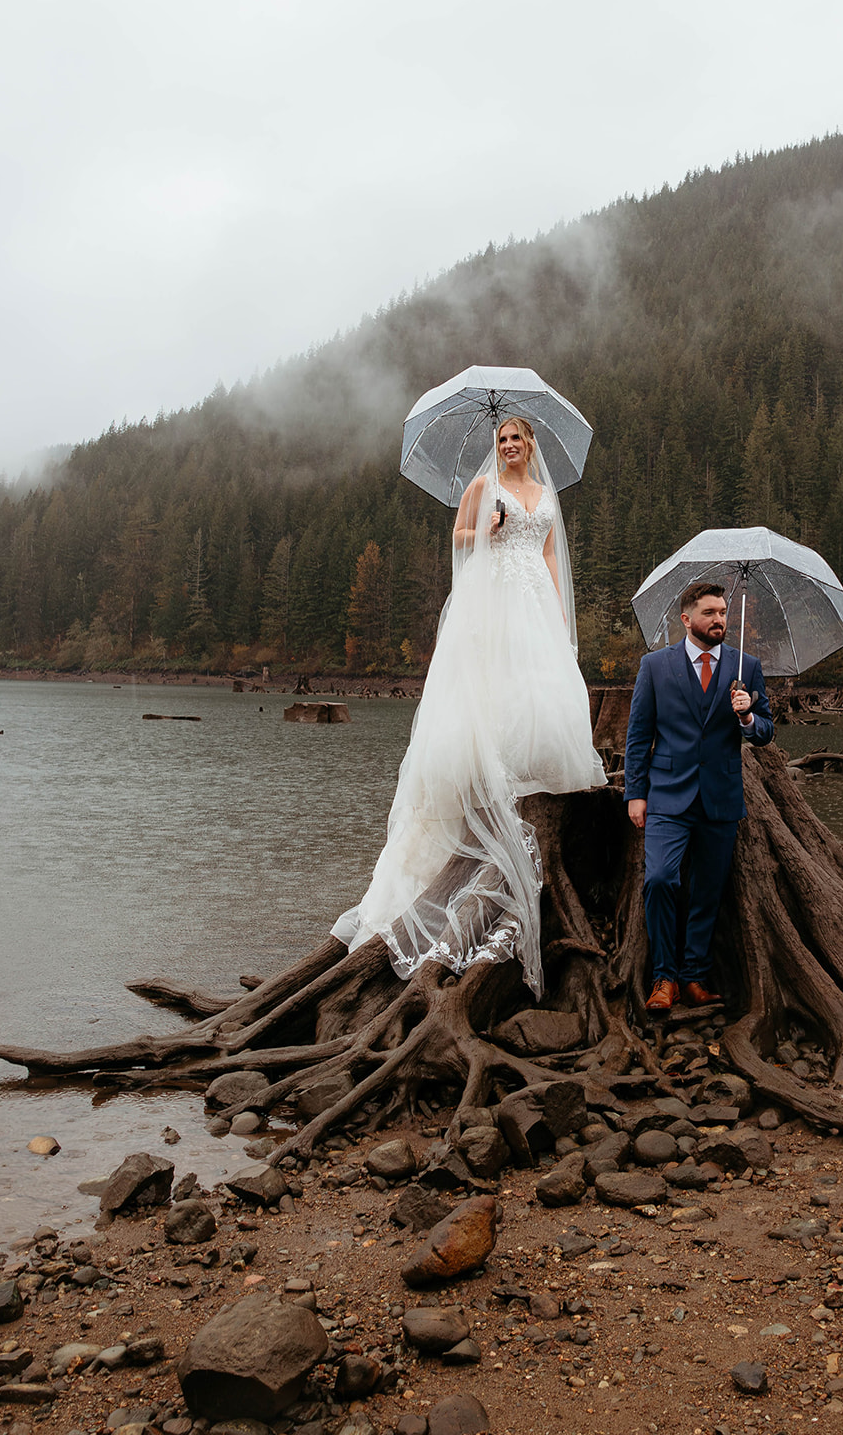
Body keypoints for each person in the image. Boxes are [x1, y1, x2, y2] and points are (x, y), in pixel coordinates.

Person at [331, 416, 606, 998]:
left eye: (517, 440)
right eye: (502, 441)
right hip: (494, 598)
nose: (508, 447)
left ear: (530, 446)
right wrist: (488, 526)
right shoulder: (484, 490)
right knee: (491, 686)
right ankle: (484, 799)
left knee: (540, 688)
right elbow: (457, 537)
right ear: (496, 448)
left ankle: (533, 794)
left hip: (534, 600)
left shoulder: (546, 495)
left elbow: (552, 555)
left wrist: (558, 611)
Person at [623, 581, 774, 1014]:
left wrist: (747, 715)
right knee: (660, 881)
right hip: (667, 796)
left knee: (708, 890)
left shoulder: (747, 666)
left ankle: (693, 977)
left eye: (723, 612)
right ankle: (663, 978)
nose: (720, 620)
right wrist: (636, 794)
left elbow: (766, 732)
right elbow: (638, 737)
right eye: (710, 613)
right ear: (686, 619)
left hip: (721, 797)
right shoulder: (655, 667)